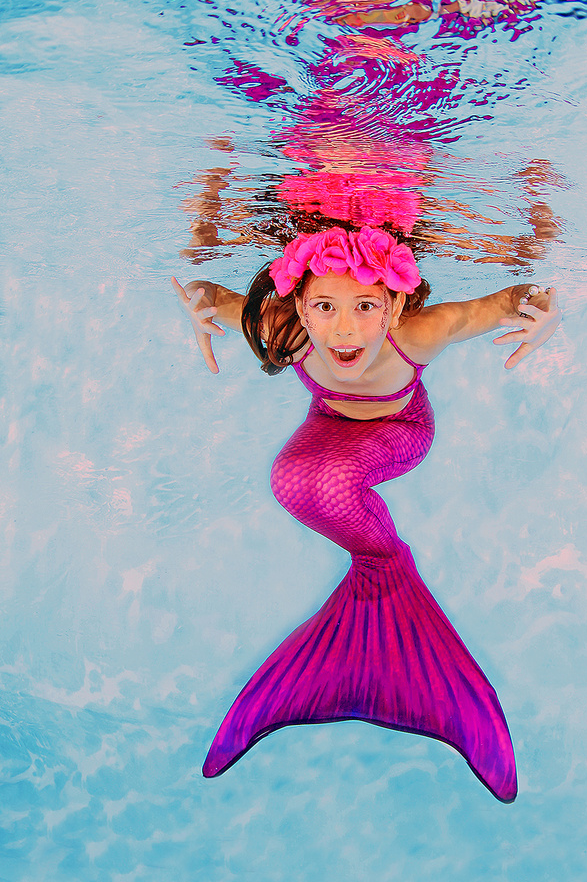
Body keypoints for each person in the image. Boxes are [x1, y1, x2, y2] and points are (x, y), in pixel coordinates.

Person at [171, 225, 561, 802]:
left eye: (366, 306)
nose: (345, 328)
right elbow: (206, 292)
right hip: (327, 427)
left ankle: (383, 571)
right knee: (291, 480)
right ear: (298, 307)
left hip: (399, 430)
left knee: (323, 483)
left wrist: (547, 312)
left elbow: (513, 298)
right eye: (324, 306)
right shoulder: (282, 328)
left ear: (394, 308)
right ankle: (383, 582)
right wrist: (196, 308)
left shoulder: (419, 335)